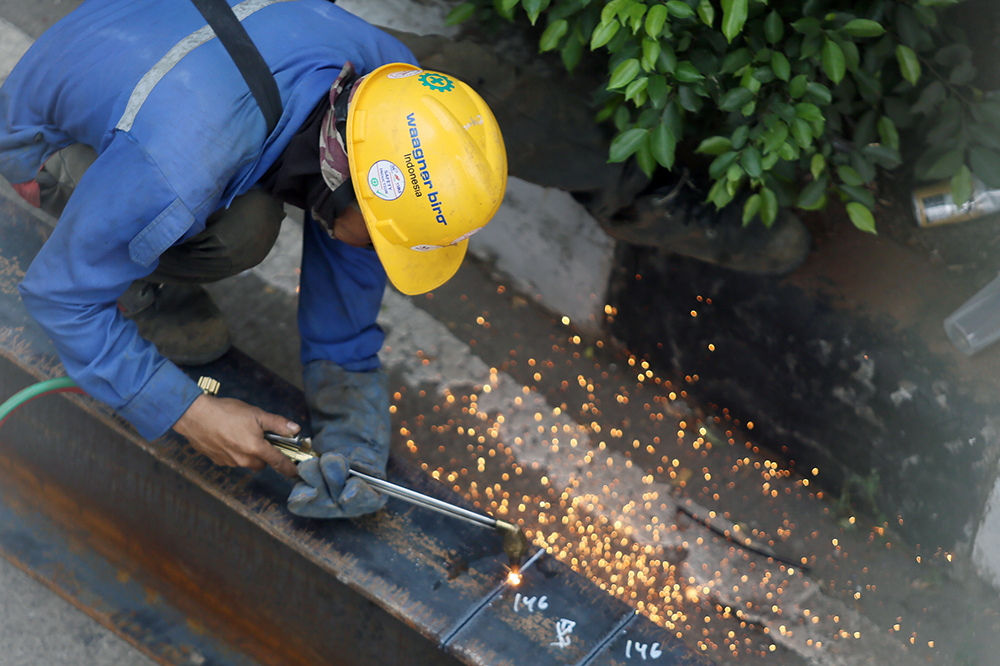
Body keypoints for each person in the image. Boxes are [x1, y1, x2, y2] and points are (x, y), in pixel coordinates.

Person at [0, 0, 506, 518]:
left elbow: (356, 224)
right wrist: (190, 412)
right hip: (46, 138)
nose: (382, 256)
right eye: (384, 242)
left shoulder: (391, 93)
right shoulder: (175, 168)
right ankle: (136, 290)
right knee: (245, 230)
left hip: (151, 43)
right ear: (343, 185)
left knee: (281, 207)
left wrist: (352, 423)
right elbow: (59, 295)